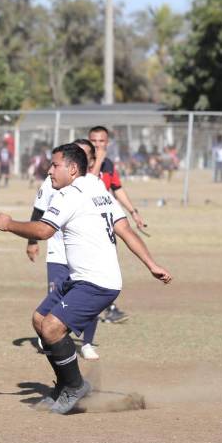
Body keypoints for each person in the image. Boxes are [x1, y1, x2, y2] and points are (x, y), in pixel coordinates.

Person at [0, 143, 172, 414]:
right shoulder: (97, 189)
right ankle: (66, 385)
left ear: (72, 169)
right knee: (40, 320)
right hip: (81, 278)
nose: (49, 170)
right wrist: (151, 264)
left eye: (55, 165)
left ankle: (75, 386)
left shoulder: (68, 196)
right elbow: (124, 229)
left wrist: (9, 225)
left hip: (98, 282)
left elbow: (42, 230)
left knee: (52, 328)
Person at [26, 139, 104, 361]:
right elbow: (38, 213)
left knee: (85, 301)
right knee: (56, 302)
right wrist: (32, 241)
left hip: (85, 257)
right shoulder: (52, 183)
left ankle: (86, 343)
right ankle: (60, 346)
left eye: (90, 155)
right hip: (59, 254)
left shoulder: (94, 186)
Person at [88, 126, 145, 324]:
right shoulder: (82, 163)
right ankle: (101, 308)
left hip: (104, 224)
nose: (97, 145)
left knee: (106, 265)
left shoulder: (109, 164)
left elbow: (117, 188)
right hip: (86, 224)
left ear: (107, 143)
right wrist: (99, 159)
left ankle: (107, 307)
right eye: (93, 141)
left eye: (101, 141)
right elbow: (89, 184)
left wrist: (133, 212)